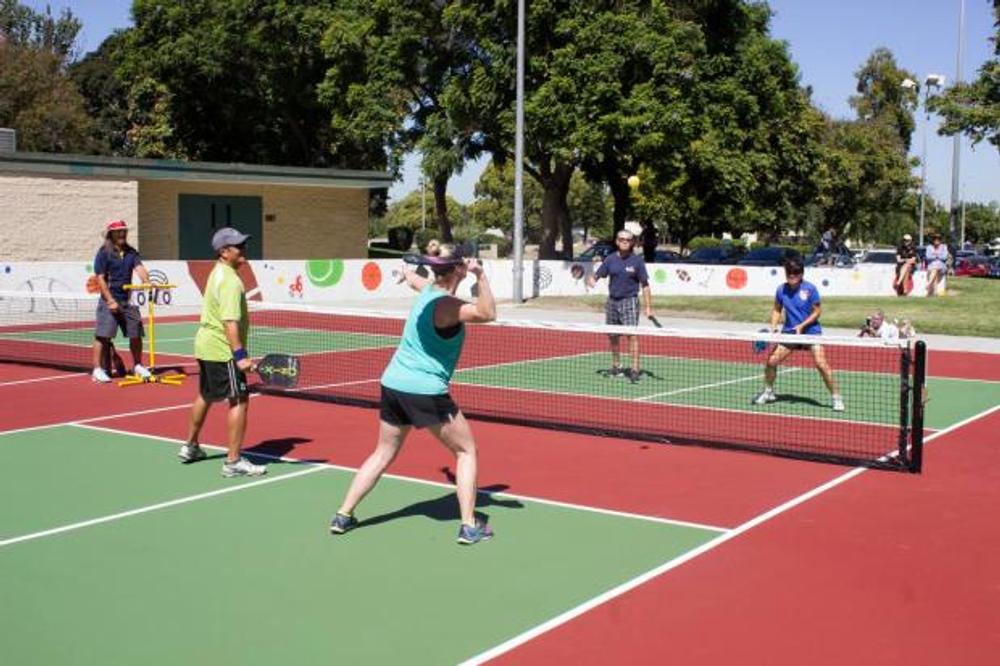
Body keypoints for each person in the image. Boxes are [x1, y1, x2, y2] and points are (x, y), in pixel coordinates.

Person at [330, 245, 497, 545]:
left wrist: (406, 271)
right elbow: (488, 313)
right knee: (465, 451)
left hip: (393, 383)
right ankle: (469, 526)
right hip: (425, 391)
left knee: (383, 453)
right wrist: (481, 276)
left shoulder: (426, 290)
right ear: (458, 269)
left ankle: (343, 514)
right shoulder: (446, 306)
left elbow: (412, 279)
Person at [178, 227, 266, 478]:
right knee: (239, 399)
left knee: (206, 394)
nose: (244, 249)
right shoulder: (229, 280)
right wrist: (240, 357)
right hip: (222, 349)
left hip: (204, 345)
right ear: (224, 252)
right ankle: (233, 461)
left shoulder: (217, 273)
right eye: (238, 246)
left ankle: (191, 446)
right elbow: (230, 322)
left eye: (243, 244)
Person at [753, 258, 845, 412]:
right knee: (771, 361)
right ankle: (768, 392)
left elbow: (817, 311)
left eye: (795, 273)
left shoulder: (810, 289)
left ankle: (836, 398)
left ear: (801, 274)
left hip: (811, 333)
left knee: (821, 364)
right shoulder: (781, 290)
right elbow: (777, 309)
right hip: (790, 333)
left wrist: (802, 326)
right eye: (789, 273)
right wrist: (774, 328)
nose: (792, 276)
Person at [586, 230, 654, 383]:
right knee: (613, 335)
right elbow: (598, 275)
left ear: (632, 243)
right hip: (612, 302)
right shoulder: (610, 260)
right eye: (621, 239)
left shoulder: (637, 261)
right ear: (617, 241)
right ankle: (616, 365)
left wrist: (648, 307)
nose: (624, 242)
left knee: (632, 335)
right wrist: (592, 279)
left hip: (629, 301)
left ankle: (635, 369)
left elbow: (645, 285)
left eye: (628, 240)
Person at [91, 220, 151, 383]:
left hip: (127, 300)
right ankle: (97, 369)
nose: (123, 234)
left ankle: (138, 365)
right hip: (109, 300)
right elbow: (101, 279)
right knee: (103, 336)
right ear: (111, 234)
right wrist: (110, 300)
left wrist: (147, 280)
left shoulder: (131, 252)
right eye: (119, 231)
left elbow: (139, 268)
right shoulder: (103, 252)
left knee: (136, 332)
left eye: (124, 231)